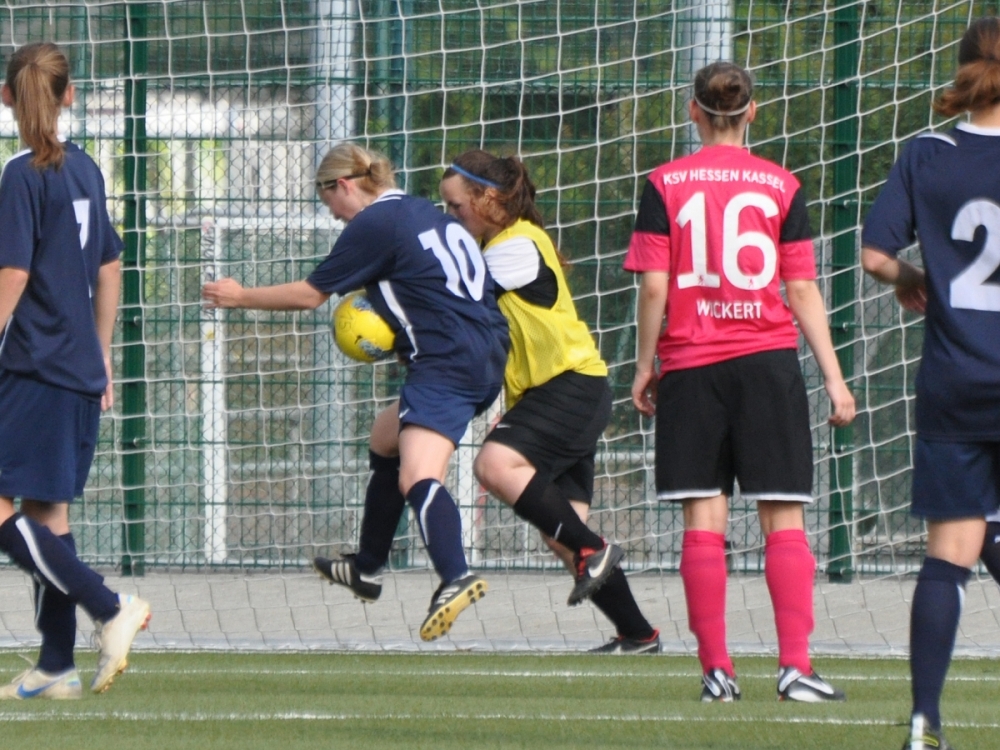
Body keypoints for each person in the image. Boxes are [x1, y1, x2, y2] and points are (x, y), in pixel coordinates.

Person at [202, 142, 509, 641]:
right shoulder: (427, 214)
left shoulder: (375, 223)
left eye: (329, 202)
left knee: (418, 474)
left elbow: (309, 295)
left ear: (343, 185)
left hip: (447, 361)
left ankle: (455, 576)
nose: (333, 215)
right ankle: (367, 566)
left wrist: (239, 297)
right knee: (386, 438)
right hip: (484, 351)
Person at [625, 61, 856, 701]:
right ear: (752, 111)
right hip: (767, 364)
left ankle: (717, 672)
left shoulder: (663, 183)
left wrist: (645, 366)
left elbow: (653, 286)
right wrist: (835, 379)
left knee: (704, 518)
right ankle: (795, 668)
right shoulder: (782, 184)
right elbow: (801, 289)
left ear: (692, 111)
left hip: (692, 367)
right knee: (784, 518)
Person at [438, 150, 659, 651]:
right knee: (563, 534)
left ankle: (594, 550)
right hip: (563, 390)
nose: (450, 216)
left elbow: (453, 295)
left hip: (570, 385)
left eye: (456, 206)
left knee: (493, 464)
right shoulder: (497, 244)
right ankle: (638, 634)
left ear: (488, 199)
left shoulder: (516, 244)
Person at [861, 17, 1000, 749]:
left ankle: (924, 719)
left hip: (955, 379)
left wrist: (914, 275)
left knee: (949, 554)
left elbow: (875, 255)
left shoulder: (927, 152)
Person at [0, 42, 152, 699]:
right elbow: (110, 266)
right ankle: (55, 665)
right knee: (47, 514)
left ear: (6, 97)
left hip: (37, 366)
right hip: (75, 366)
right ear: (70, 95)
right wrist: (102, 350)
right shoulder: (86, 167)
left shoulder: (22, 173)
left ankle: (110, 606)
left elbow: (13, 274)